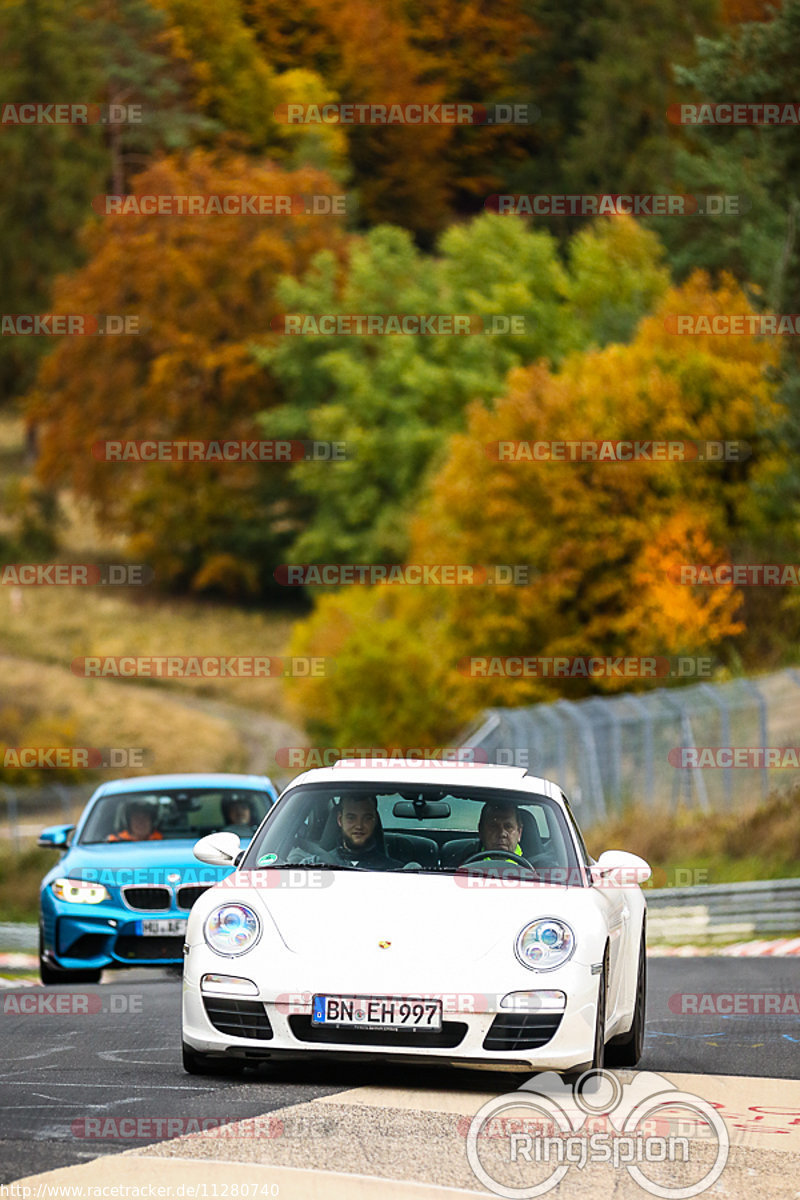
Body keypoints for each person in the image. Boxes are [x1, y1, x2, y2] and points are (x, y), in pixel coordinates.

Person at [332, 793, 401, 869]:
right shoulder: (321, 865)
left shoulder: (394, 870)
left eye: (367, 818)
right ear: (339, 820)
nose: (359, 826)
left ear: (375, 821)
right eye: (351, 818)